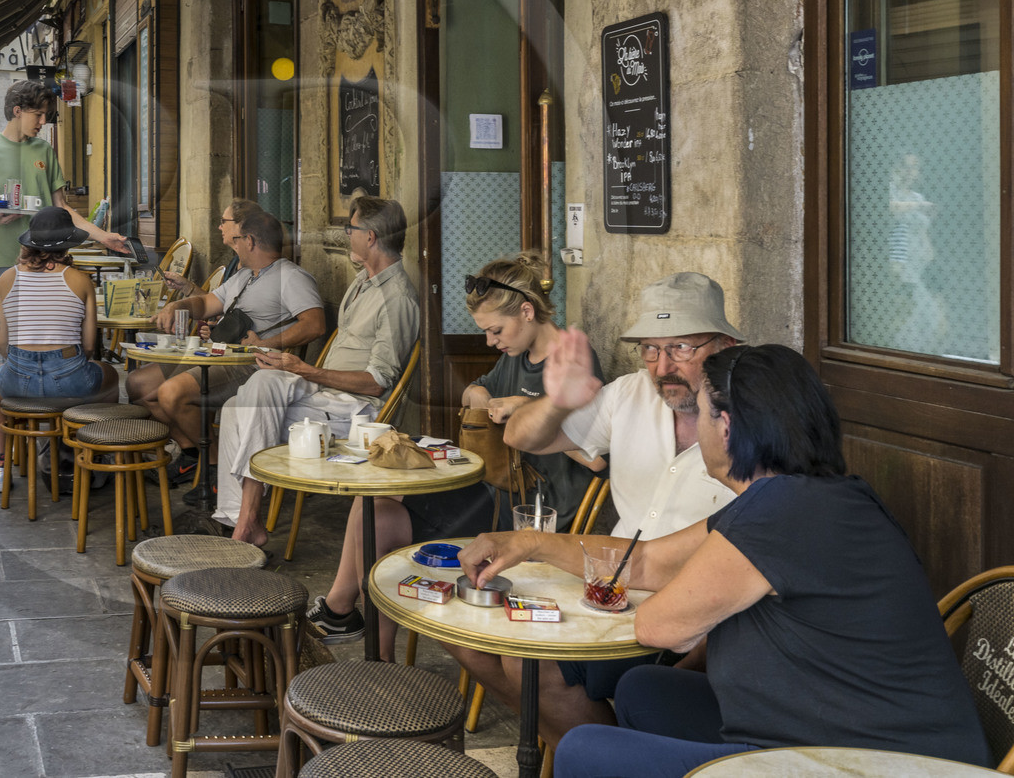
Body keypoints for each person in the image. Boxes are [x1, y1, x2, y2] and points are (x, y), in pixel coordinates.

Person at [463, 344, 989, 776]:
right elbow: (644, 562)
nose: (693, 421)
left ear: (729, 427)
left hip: (870, 759)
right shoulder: (797, 496)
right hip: (811, 724)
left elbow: (658, 625)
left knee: (584, 753)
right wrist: (527, 543)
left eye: (701, 407)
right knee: (645, 689)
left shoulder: (785, 512)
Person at [452, 272, 744, 747]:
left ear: (724, 345)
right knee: (471, 632)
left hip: (696, 618)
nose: (662, 366)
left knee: (528, 663)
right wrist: (559, 401)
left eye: (680, 349)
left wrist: (533, 544)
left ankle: (601, 753)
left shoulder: (750, 419)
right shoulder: (631, 393)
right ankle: (597, 751)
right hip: (611, 590)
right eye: (650, 349)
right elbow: (520, 437)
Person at [306, 252, 603, 651]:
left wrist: (525, 409)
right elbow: (474, 391)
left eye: (496, 330)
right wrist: (480, 394)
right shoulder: (516, 355)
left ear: (528, 312)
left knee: (377, 516)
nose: (490, 341)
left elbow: (596, 457)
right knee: (372, 503)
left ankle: (346, 617)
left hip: (536, 508)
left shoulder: (570, 361)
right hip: (496, 487)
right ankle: (370, 648)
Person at [216, 195, 419, 545]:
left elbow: (377, 384)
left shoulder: (397, 298)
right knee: (248, 395)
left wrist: (306, 371)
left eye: (350, 229)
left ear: (369, 237)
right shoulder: (362, 282)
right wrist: (296, 369)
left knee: (249, 399)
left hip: (356, 411)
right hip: (325, 396)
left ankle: (245, 523)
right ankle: (241, 519)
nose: (346, 236)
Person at [126, 201, 326, 486]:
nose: (234, 242)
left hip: (251, 365)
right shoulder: (245, 275)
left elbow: (315, 324)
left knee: (171, 394)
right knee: (138, 386)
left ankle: (217, 467)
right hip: (218, 354)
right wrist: (178, 305)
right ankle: (194, 454)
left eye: (238, 238)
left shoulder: (291, 276)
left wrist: (265, 343)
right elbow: (206, 302)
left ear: (251, 241)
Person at [0, 206, 119, 492]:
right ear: (70, 243)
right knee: (110, 377)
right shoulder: (81, 280)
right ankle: (95, 451)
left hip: (18, 379)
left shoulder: (5, 279)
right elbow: (91, 345)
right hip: (70, 379)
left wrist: (26, 363)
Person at [0, 80, 127, 279]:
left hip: (50, 258)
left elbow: (61, 206)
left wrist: (104, 237)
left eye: (45, 115)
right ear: (18, 111)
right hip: (6, 258)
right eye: (38, 115)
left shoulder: (44, 150)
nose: (43, 122)